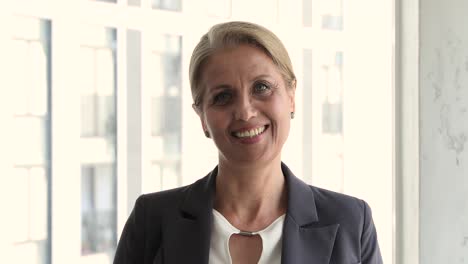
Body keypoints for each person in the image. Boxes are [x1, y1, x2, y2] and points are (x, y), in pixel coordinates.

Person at [114, 21, 383, 264]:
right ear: (202, 117)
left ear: (291, 96)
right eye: (222, 97)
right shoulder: (152, 221)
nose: (244, 111)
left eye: (262, 87)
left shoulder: (351, 222)